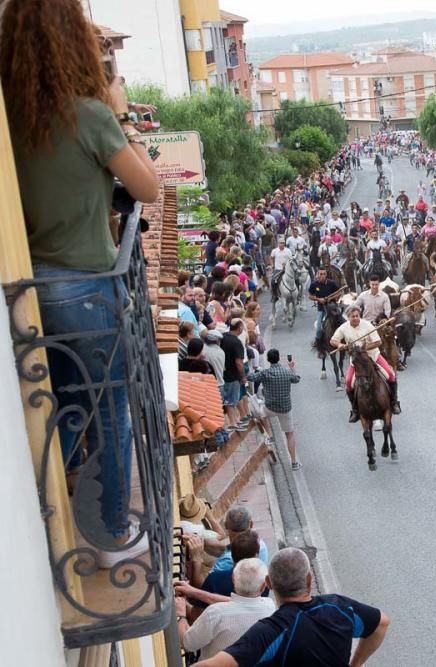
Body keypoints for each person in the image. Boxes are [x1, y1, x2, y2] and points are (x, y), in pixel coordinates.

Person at [2, 0, 162, 568]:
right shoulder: (87, 114)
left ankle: (33, 506)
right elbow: (147, 189)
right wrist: (122, 115)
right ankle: (112, 535)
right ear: (72, 43)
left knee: (66, 403)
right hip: (87, 285)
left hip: (29, 288)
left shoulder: (11, 116)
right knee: (109, 409)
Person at [194, 547, 389, 667]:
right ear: (309, 580)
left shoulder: (271, 631)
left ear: (268, 583)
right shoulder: (339, 607)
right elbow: (381, 623)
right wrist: (355, 664)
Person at [177, 558, 275, 661]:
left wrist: (181, 615)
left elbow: (188, 644)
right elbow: (241, 603)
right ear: (264, 585)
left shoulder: (215, 613)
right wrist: (194, 592)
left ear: (233, 579)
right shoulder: (270, 607)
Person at [331, 305, 400, 420]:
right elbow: (333, 340)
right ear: (348, 317)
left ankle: (394, 402)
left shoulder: (367, 325)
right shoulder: (343, 328)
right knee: (348, 382)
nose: (356, 318)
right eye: (353, 316)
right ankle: (355, 409)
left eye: (357, 316)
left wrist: (363, 348)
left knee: (391, 375)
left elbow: (378, 342)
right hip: (357, 360)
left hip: (373, 356)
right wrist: (340, 345)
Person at [248, 350, 302, 469]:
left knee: (258, 411)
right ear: (278, 358)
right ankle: (294, 462)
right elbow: (297, 379)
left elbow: (251, 377)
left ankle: (269, 435)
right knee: (290, 434)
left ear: (268, 359)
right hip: (285, 408)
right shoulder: (286, 373)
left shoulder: (265, 373)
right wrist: (292, 367)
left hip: (270, 407)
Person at [307, 268, 340, 342]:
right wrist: (319, 299)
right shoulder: (314, 284)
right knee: (319, 329)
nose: (322, 276)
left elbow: (339, 293)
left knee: (343, 322)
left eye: (324, 274)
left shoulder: (332, 283)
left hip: (333, 307)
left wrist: (331, 298)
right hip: (321, 308)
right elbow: (310, 296)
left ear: (326, 274)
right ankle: (318, 342)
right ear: (317, 274)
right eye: (320, 274)